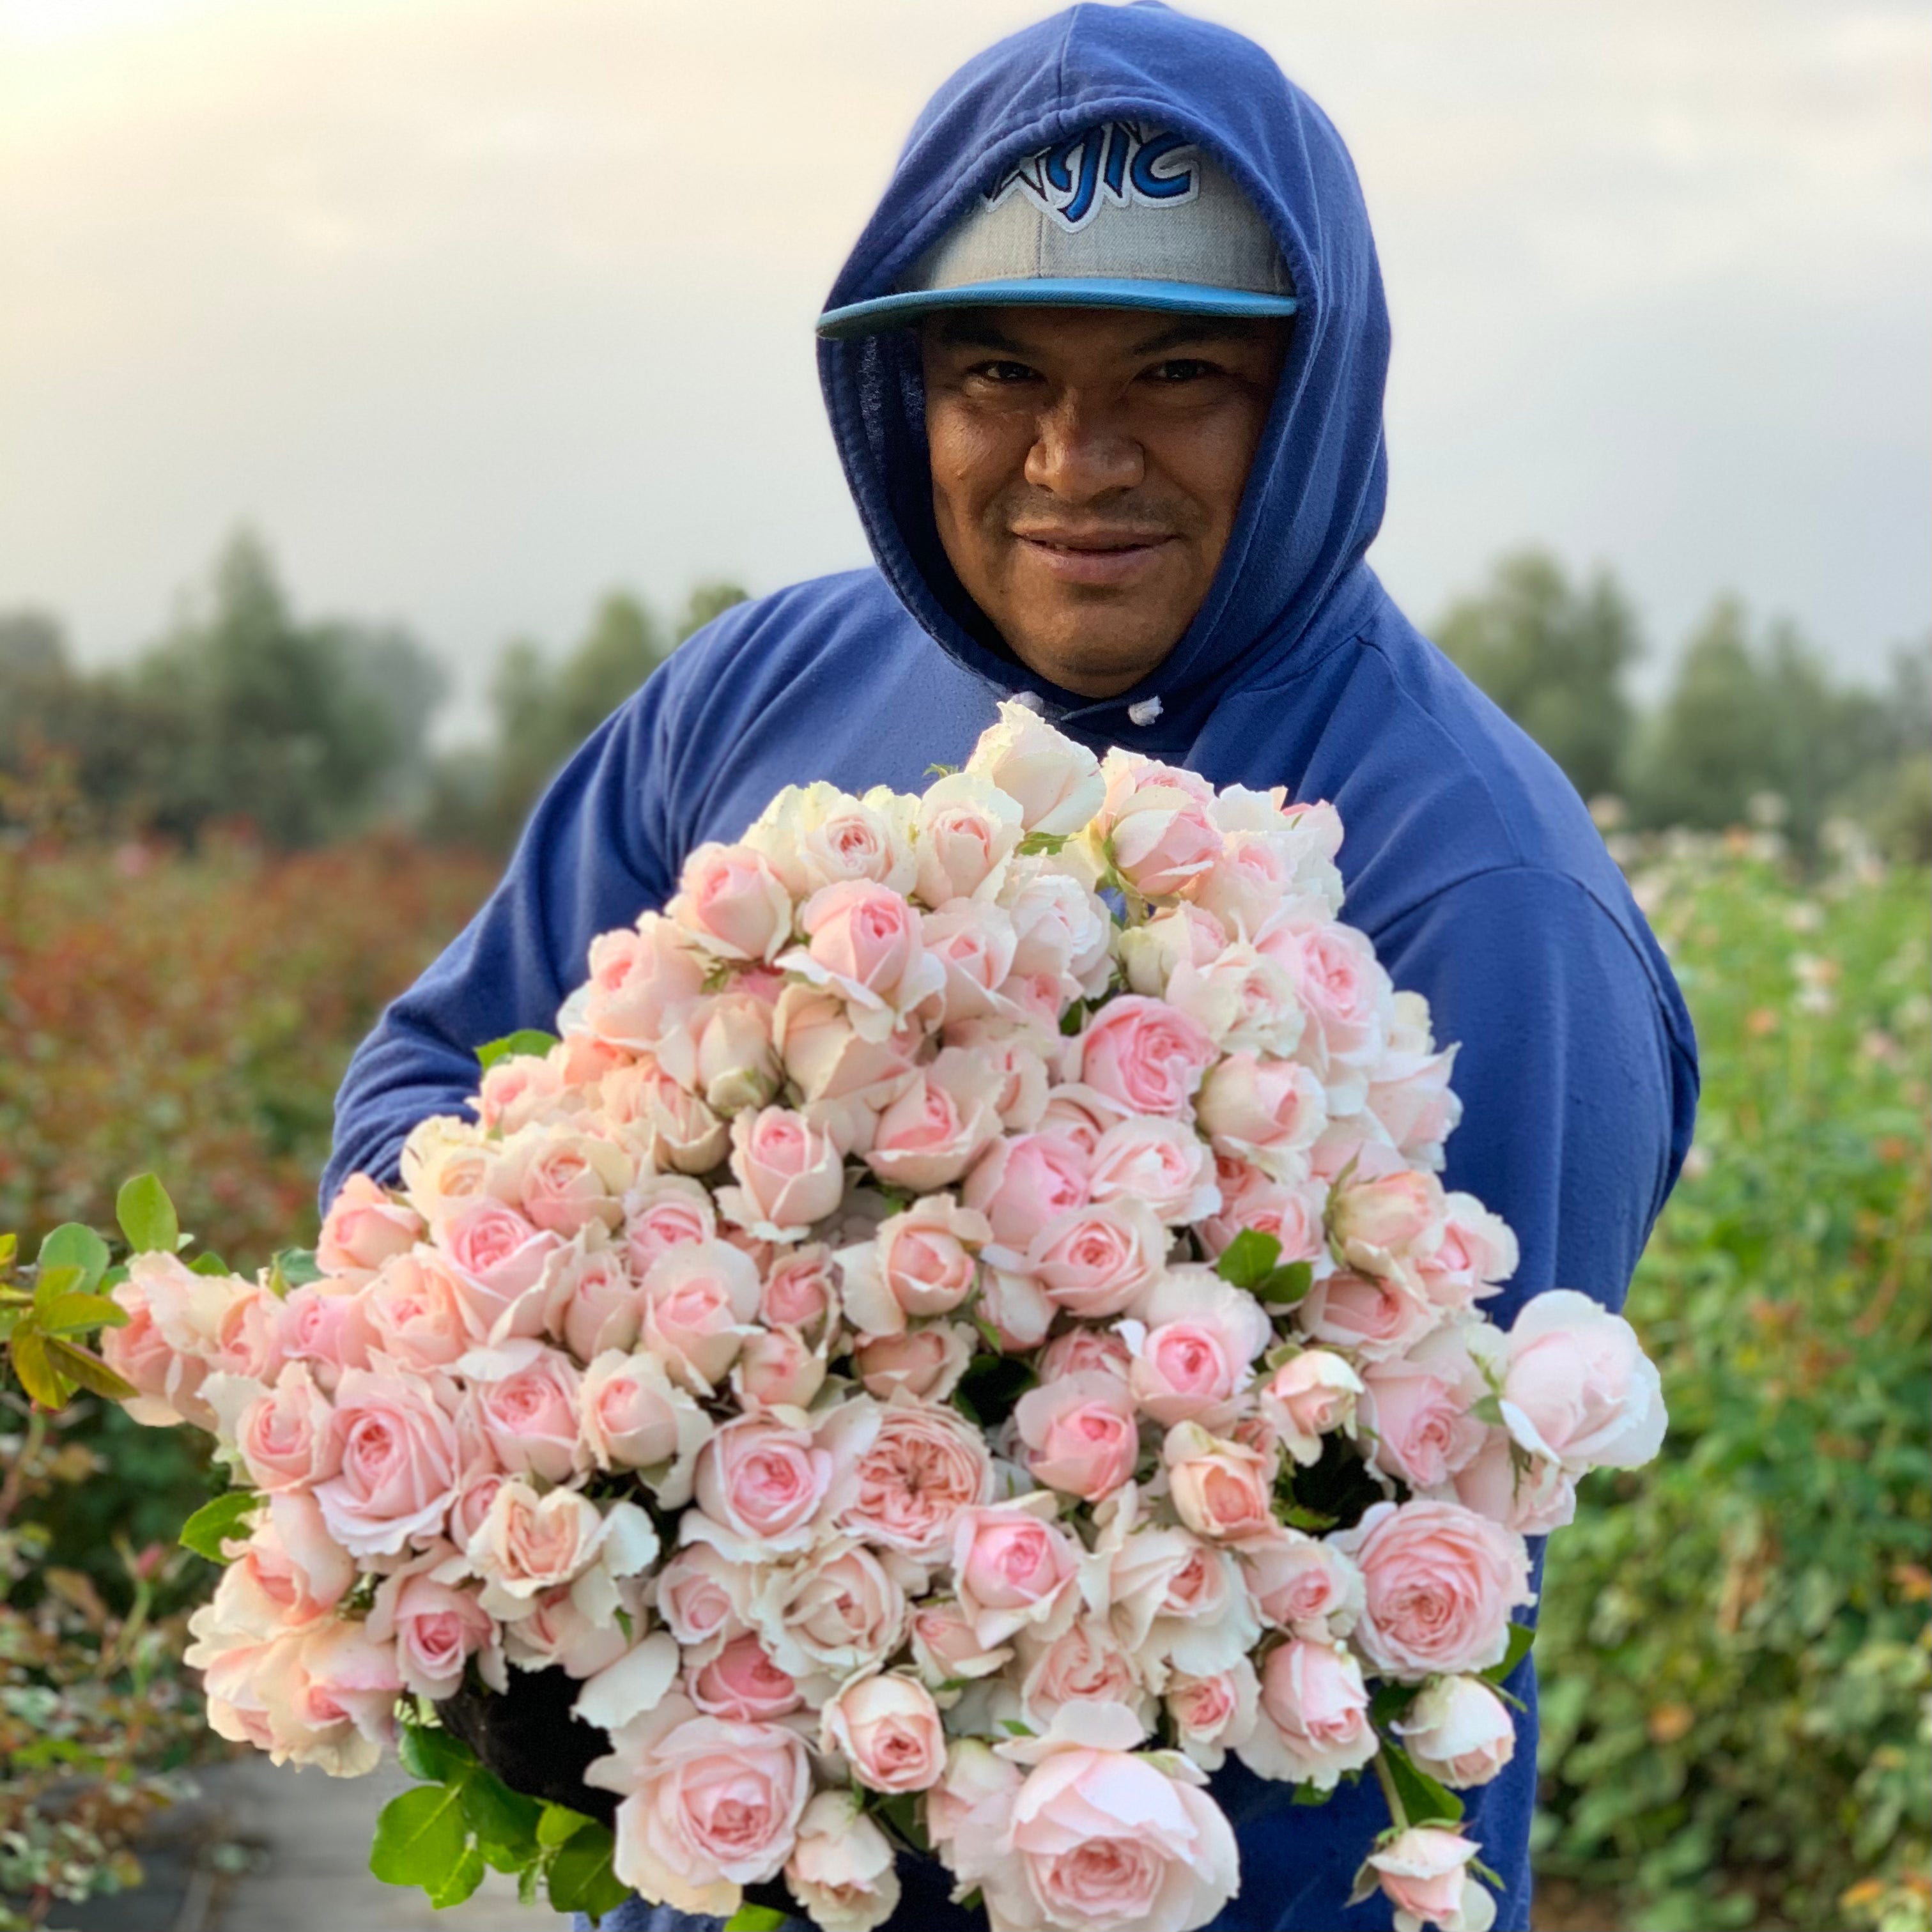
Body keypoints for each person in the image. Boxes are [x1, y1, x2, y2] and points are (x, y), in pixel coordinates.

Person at [325, 5, 1698, 1928]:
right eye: (997, 369)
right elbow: (427, 1083)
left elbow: (1404, 1530)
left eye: (1178, 371)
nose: (1077, 458)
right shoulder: (763, 688)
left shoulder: (1472, 889)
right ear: (907, 393)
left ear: (1310, 395)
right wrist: (557, 1416)